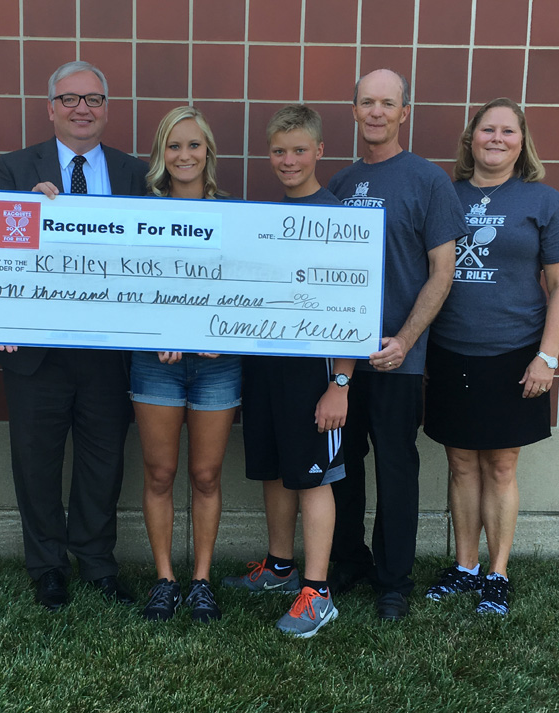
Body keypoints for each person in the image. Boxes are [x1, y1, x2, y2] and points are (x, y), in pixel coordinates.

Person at [0, 61, 147, 611]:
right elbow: (1, 251)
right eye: (71, 98)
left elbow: (155, 257)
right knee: (35, 462)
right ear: (50, 107)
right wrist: (31, 209)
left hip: (107, 350)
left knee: (104, 464)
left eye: (95, 99)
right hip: (37, 351)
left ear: (107, 108)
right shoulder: (14, 170)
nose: (83, 108)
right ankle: (47, 567)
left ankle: (98, 564)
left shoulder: (134, 173)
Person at [423, 98, 559, 615]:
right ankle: (465, 566)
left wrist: (547, 357)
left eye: (507, 131)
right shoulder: (443, 195)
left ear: (521, 141)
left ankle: (497, 571)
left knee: (501, 465)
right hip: (450, 349)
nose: (496, 138)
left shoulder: (545, 202)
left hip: (514, 352)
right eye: (486, 129)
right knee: (461, 462)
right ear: (471, 139)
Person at [327, 69, 467, 621]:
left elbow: (442, 272)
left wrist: (406, 341)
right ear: (355, 111)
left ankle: (393, 579)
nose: (377, 112)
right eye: (368, 103)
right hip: (342, 358)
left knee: (395, 467)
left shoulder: (428, 181)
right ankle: (349, 559)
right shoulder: (338, 184)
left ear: (404, 113)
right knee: (343, 466)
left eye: (388, 103)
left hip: (398, 357)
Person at [222, 104, 354, 638]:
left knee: (313, 477)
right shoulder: (266, 218)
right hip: (266, 368)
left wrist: (340, 382)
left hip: (316, 373)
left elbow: (355, 308)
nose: (289, 159)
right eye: (279, 150)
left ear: (320, 151)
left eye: (299, 149)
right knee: (275, 469)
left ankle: (318, 594)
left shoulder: (342, 219)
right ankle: (280, 566)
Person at [133, 106, 241, 624]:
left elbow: (249, 290)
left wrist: (229, 330)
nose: (184, 155)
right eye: (174, 146)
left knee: (205, 473)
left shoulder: (236, 216)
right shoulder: (139, 215)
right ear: (161, 154)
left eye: (194, 145)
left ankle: (200, 580)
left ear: (208, 154)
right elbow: (119, 287)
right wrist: (157, 332)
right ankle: (163, 579)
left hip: (219, 365)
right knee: (160, 471)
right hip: (156, 362)